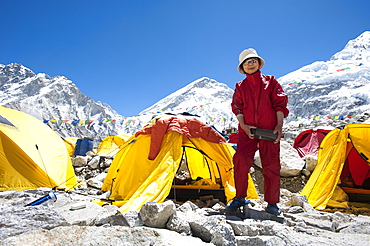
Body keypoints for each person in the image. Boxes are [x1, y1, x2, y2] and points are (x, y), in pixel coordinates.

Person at [227, 48, 289, 216]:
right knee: (240, 159)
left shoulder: (271, 82)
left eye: (253, 60)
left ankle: (272, 203)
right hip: (248, 131)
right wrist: (244, 126)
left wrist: (279, 125)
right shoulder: (240, 86)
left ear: (259, 63)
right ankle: (240, 197)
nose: (250, 64)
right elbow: (237, 107)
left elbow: (279, 104)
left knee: (271, 164)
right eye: (247, 62)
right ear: (242, 67)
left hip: (269, 130)